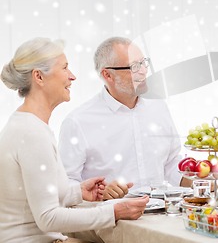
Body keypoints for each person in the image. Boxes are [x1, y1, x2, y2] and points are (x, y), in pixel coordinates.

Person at [0, 38, 148, 243]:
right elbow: (48, 218)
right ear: (39, 77)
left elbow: (36, 195)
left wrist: (78, 192)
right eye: (65, 68)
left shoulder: (27, 125)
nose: (72, 76)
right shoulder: (31, 133)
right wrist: (114, 212)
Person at [58, 37, 184, 200]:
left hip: (161, 215)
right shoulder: (78, 121)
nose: (144, 71)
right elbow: (65, 183)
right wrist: (100, 192)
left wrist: (200, 181)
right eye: (134, 67)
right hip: (113, 220)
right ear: (108, 75)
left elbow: (170, 164)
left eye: (144, 63)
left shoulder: (159, 108)